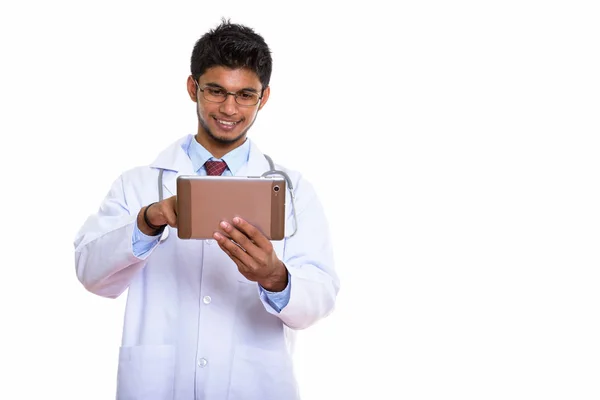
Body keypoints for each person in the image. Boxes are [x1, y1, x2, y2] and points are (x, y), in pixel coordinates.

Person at [73, 19, 340, 400]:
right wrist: (150, 220)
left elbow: (321, 297)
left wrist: (275, 276)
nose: (229, 108)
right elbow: (90, 273)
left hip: (256, 386)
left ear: (263, 98)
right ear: (192, 88)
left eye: (245, 95)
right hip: (159, 385)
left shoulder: (294, 191)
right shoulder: (139, 185)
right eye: (216, 91)